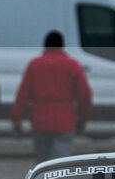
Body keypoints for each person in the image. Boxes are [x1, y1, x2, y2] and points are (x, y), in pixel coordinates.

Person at [12, 30, 92, 163]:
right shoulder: (72, 65)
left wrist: (16, 119)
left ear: (45, 45)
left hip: (40, 121)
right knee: (60, 165)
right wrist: (83, 118)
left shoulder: (35, 64)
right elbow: (85, 94)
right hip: (65, 121)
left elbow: (23, 94)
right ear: (62, 45)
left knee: (42, 163)